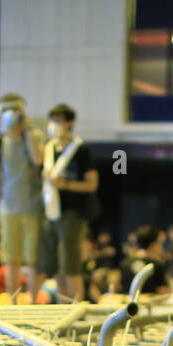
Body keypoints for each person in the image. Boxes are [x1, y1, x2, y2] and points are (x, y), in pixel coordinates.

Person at [0, 93, 45, 301]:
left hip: (33, 206)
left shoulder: (34, 136)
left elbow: (38, 160)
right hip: (8, 208)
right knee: (11, 259)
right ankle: (14, 301)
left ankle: (34, 301)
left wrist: (25, 129)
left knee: (34, 259)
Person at [41, 103, 99, 302]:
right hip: (51, 210)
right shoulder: (49, 149)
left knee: (70, 262)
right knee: (55, 264)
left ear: (70, 123)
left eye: (58, 121)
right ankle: (62, 305)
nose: (54, 125)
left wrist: (64, 183)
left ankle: (76, 305)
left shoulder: (81, 150)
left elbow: (92, 184)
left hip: (73, 211)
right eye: (52, 121)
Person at [122, 224, 173, 297]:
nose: (162, 247)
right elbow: (164, 292)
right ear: (153, 245)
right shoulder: (156, 265)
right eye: (160, 243)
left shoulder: (124, 264)